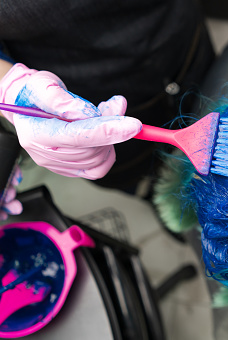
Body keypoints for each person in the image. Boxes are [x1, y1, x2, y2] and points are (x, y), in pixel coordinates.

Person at [0, 0, 215, 219]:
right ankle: (150, 192)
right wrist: (7, 84)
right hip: (84, 101)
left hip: (181, 39)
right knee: (136, 172)